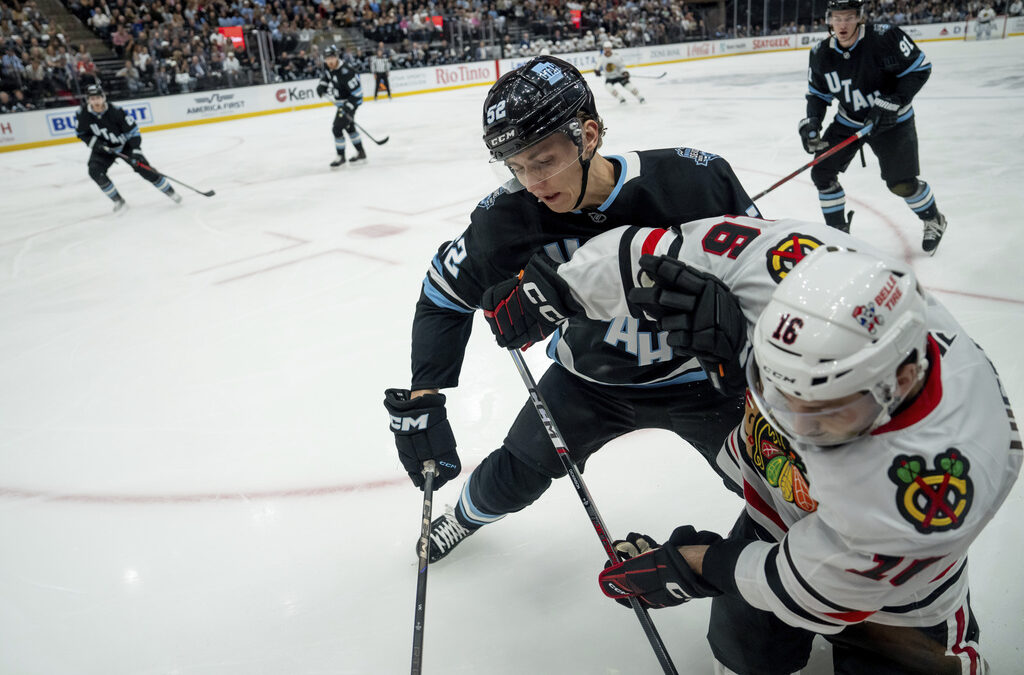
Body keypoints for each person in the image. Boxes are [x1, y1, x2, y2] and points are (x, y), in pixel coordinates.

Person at [487, 214, 1021, 673]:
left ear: (901, 380)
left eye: (824, 411)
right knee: (741, 649)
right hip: (778, 517)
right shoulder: (795, 268)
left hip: (900, 596)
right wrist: (559, 289)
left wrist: (700, 566)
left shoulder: (940, 480)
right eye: (774, 385)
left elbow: (811, 587)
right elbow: (658, 251)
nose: (790, 421)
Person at [383, 56, 761, 564]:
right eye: (515, 168)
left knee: (778, 485)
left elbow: (770, 280)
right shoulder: (506, 220)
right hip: (588, 380)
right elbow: (441, 296)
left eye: (542, 160)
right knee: (515, 474)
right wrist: (426, 391)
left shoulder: (695, 181)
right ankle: (465, 518)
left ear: (587, 135)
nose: (533, 183)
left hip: (702, 379)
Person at [799, 0, 947, 254]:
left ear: (859, 18)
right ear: (829, 19)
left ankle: (933, 219)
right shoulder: (820, 53)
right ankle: (838, 231)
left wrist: (894, 100)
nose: (842, 24)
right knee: (821, 172)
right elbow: (818, 95)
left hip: (892, 122)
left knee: (901, 183)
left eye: (848, 18)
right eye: (837, 18)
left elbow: (919, 69)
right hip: (849, 123)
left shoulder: (884, 37)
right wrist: (812, 122)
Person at [75, 83, 181, 212]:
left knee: (144, 168)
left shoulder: (116, 111)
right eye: (92, 99)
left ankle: (171, 193)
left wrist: (136, 152)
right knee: (95, 170)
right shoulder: (83, 114)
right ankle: (119, 201)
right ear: (88, 100)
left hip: (125, 146)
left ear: (103, 97)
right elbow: (82, 134)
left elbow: (134, 132)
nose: (95, 101)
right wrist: (98, 145)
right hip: (104, 150)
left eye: (97, 98)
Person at [316, 44, 366, 167]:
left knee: (337, 128)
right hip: (341, 104)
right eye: (327, 59)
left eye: (332, 58)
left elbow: (358, 94)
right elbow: (327, 77)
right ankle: (361, 152)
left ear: (337, 57)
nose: (329, 61)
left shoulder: (347, 72)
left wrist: (348, 107)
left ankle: (341, 156)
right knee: (349, 128)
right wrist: (322, 85)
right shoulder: (329, 67)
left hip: (350, 104)